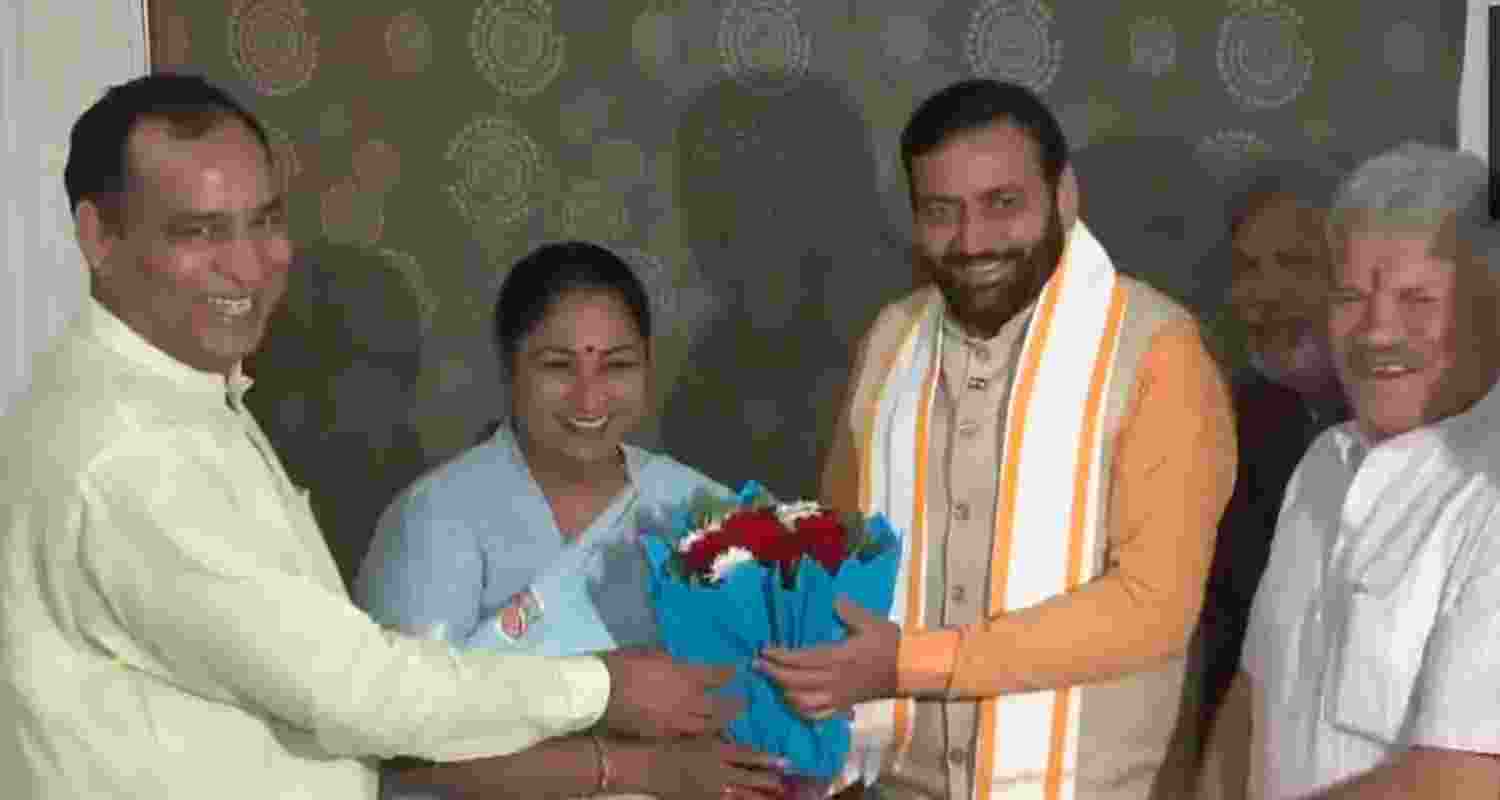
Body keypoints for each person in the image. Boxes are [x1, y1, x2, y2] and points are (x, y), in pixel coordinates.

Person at [0, 73, 740, 799]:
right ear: (99, 236)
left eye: (264, 221)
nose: (250, 264)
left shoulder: (182, 403)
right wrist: (608, 692)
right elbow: (362, 695)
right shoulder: (132, 450)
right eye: (200, 231)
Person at [757, 79, 1237, 800]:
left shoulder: (1157, 353)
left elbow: (1152, 608)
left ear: (1064, 195)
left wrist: (911, 663)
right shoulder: (893, 341)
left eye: (1002, 204)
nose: (973, 241)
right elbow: (843, 545)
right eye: (941, 212)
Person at [354, 241, 787, 800]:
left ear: (649, 365)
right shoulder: (437, 518)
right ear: (509, 367)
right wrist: (641, 770)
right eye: (558, 366)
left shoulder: (696, 508)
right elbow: (404, 752)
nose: (589, 398)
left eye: (617, 365)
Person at [1208, 143, 1500, 799]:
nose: (1375, 331)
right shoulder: (1322, 466)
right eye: (1349, 296)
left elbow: (1462, 781)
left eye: (1418, 299)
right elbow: (1250, 702)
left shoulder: (1491, 491)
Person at [1194, 160, 1352, 760]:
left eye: (1296, 263)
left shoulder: (1420, 429)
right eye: (1248, 269)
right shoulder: (1228, 422)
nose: (1268, 293)